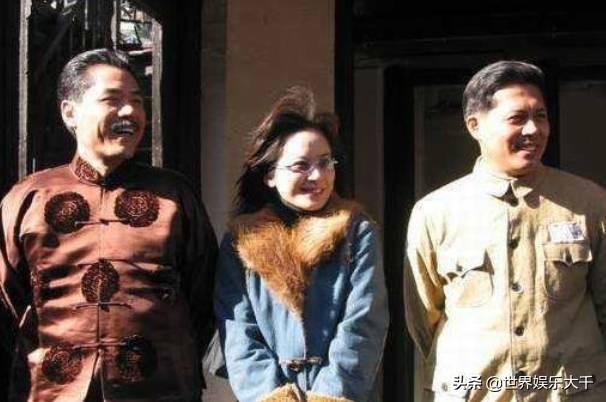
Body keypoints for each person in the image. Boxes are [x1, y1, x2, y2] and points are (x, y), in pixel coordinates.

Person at [0, 48, 218, 401]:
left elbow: (204, 294)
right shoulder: (29, 197)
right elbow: (7, 300)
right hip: (53, 391)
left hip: (160, 390)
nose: (130, 112)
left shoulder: (175, 195)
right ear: (70, 112)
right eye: (112, 100)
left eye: (137, 101)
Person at [404, 60, 606, 401]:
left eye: (540, 116)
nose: (533, 129)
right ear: (475, 125)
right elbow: (424, 319)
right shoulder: (435, 212)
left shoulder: (590, 202)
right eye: (517, 118)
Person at [214, 87, 389, 402]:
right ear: (269, 175)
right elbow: (238, 330)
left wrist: (329, 395)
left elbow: (364, 323)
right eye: (301, 165)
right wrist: (273, 396)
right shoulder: (241, 241)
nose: (317, 176)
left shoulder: (357, 231)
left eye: (325, 162)